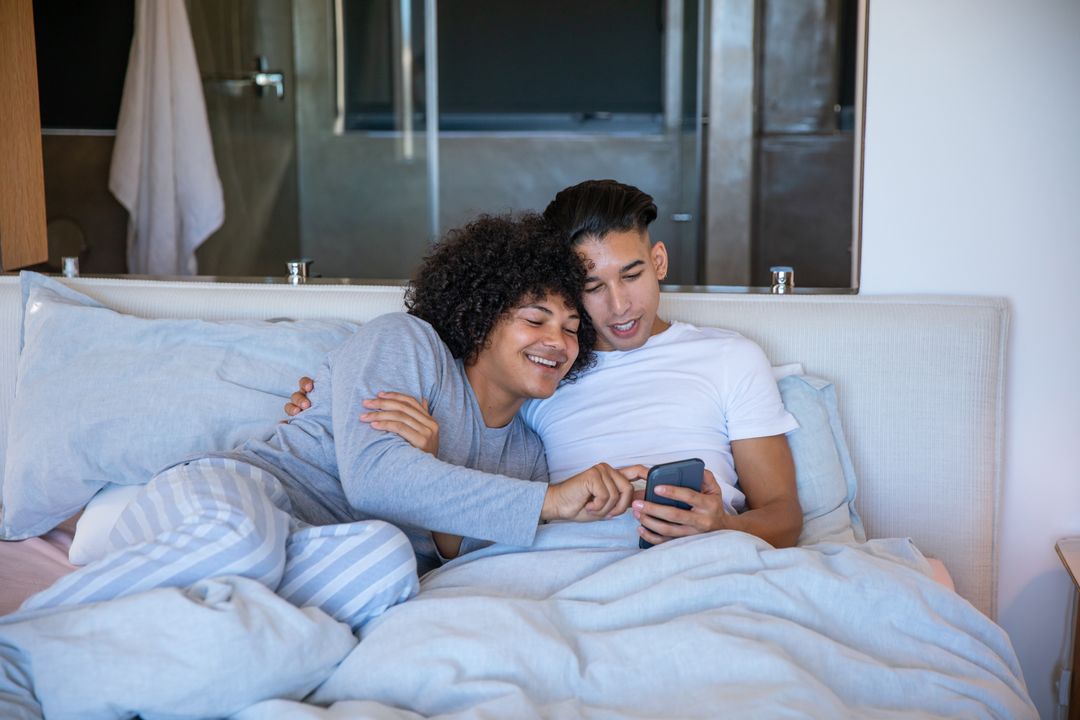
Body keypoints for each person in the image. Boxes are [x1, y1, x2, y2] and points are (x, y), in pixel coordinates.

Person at [21, 213, 642, 630]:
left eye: (570, 327)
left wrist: (434, 467)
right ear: (481, 315)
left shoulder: (528, 455)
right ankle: (28, 634)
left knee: (384, 565)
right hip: (239, 496)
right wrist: (551, 503)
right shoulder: (409, 345)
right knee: (243, 543)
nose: (557, 340)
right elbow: (377, 481)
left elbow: (459, 566)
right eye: (535, 318)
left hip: (321, 548)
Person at [289, 181, 802, 550]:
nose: (620, 305)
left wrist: (725, 528)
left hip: (697, 555)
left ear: (660, 261)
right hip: (556, 563)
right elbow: (456, 389)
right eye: (593, 288)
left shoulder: (730, 356)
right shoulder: (542, 381)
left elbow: (783, 514)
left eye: (633, 274)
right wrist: (327, 402)